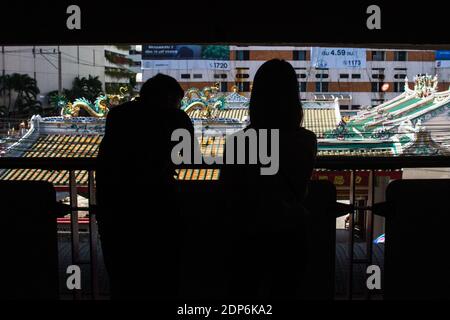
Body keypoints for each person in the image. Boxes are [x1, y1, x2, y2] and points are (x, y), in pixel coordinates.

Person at [220, 59, 317, 299]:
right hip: (291, 233)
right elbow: (301, 187)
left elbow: (228, 191)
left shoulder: (238, 142)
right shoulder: (306, 140)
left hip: (248, 235)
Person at [96, 74, 195, 299]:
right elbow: (186, 153)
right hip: (159, 209)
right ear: (170, 98)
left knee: (123, 281)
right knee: (163, 278)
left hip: (117, 211)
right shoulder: (175, 117)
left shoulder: (118, 115)